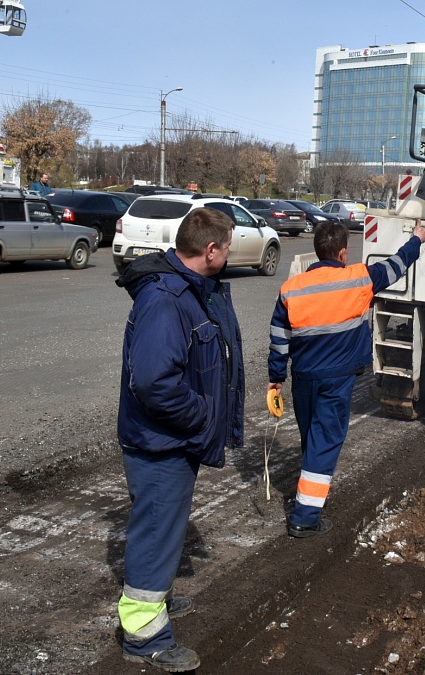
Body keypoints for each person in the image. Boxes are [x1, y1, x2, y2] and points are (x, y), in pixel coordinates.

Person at [114, 208, 246, 672]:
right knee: (154, 531)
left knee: (165, 528)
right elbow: (152, 382)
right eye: (227, 246)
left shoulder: (191, 290)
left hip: (173, 440)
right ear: (210, 250)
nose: (229, 253)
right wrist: (202, 415)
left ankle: (158, 597)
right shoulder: (167, 300)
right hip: (160, 442)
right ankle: (145, 635)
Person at [267, 220, 425, 538]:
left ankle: (307, 498)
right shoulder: (359, 279)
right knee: (324, 443)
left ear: (317, 250)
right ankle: (304, 518)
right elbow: (396, 265)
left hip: (303, 379)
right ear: (343, 252)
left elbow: (279, 338)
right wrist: (416, 240)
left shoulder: (292, 288)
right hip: (336, 380)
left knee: (312, 438)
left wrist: (275, 378)